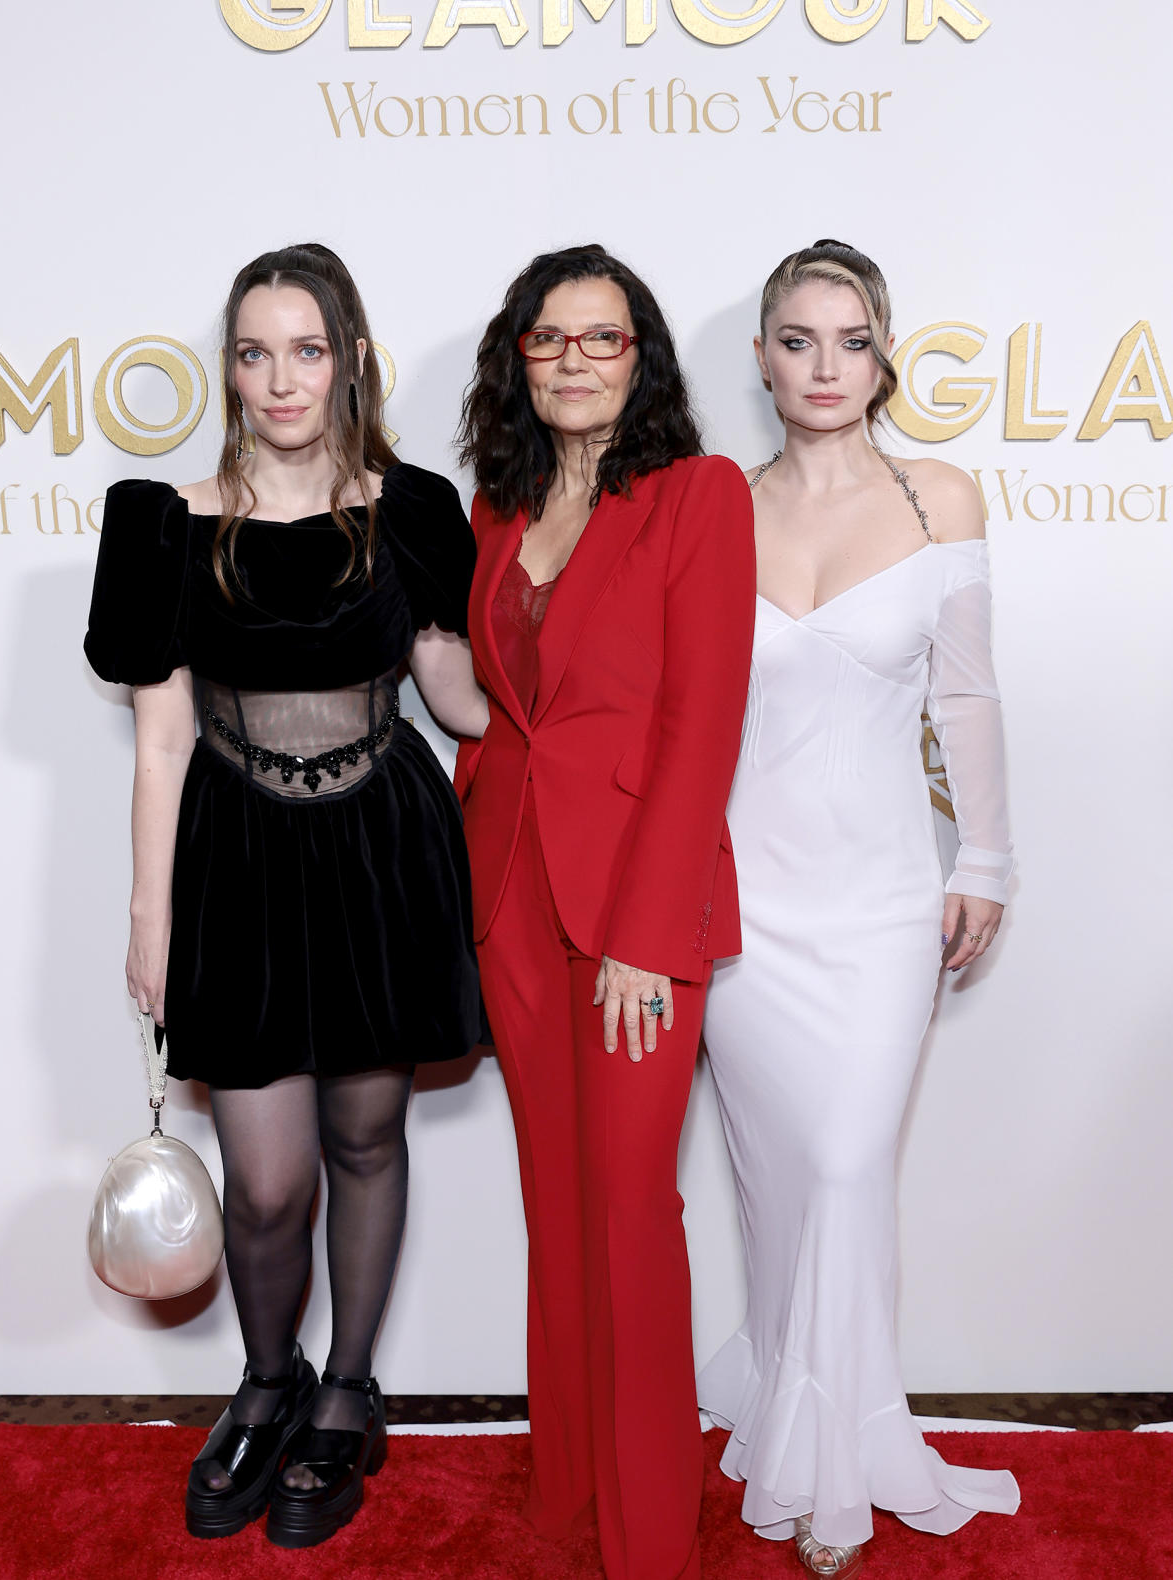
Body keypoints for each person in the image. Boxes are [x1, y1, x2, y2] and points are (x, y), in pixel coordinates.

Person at [84, 243, 486, 1550]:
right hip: (241, 865)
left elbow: (461, 700)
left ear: (350, 359)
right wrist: (153, 915)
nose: (279, 377)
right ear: (231, 366)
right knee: (263, 1181)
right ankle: (270, 1381)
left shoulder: (412, 508)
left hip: (381, 850)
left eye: (305, 349)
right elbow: (159, 740)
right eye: (254, 352)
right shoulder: (164, 520)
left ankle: (349, 1393)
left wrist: (581, 654)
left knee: (366, 1138)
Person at [696, 239, 1020, 1576]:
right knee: (778, 1186)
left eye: (848, 339)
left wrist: (985, 861)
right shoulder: (708, 505)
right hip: (737, 912)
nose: (822, 366)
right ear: (761, 357)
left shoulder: (939, 495)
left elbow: (966, 696)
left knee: (843, 1166)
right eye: (795, 338)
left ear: (883, 354)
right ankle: (791, 1404)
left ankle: (837, 1454)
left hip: (885, 900)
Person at [456, 243, 756, 1580]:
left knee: (631, 1222)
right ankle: (567, 1509)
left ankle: (645, 1542)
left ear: (641, 359)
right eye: (549, 338)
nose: (575, 360)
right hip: (511, 897)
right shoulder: (496, 507)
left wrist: (647, 933)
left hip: (634, 914)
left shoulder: (695, 497)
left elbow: (701, 724)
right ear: (516, 358)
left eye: (603, 337)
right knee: (557, 1215)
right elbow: (498, 711)